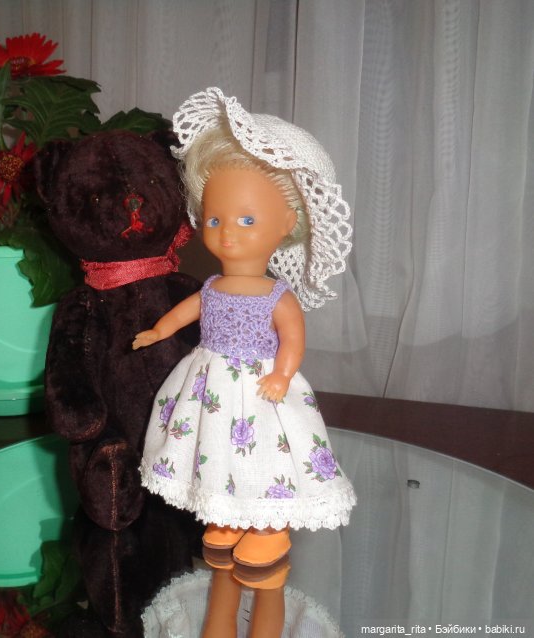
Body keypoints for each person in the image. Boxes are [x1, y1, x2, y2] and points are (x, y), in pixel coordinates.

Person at [133, 88, 357, 637]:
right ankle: (225, 529)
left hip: (261, 390)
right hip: (208, 384)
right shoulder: (212, 285)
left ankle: (265, 533)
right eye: (215, 220)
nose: (227, 232)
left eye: (247, 219)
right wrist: (160, 329)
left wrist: (282, 373)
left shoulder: (277, 295)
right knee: (212, 452)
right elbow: (188, 310)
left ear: (287, 224)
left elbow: (293, 339)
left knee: (266, 459)